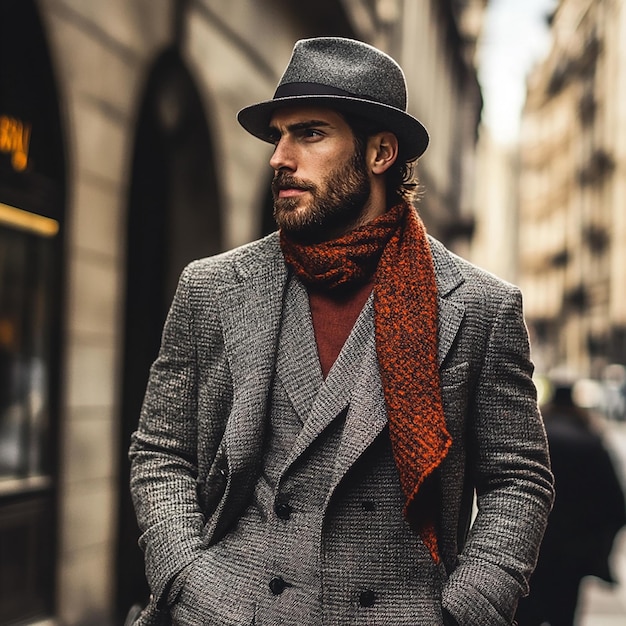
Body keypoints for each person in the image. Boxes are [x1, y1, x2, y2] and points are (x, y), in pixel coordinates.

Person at [129, 37, 554, 626]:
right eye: (279, 135)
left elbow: (519, 479)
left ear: (381, 152)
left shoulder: (479, 308)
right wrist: (190, 582)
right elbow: (160, 452)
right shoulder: (214, 287)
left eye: (309, 133)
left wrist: (466, 608)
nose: (279, 157)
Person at [516, 382, 626, 626]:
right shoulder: (591, 442)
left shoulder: (535, 439)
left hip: (531, 549)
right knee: (564, 616)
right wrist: (596, 546)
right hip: (572, 554)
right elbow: (616, 505)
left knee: (523, 617)